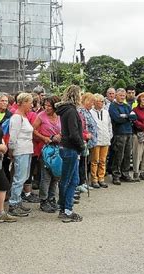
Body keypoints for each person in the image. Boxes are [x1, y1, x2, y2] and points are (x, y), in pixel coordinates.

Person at [55, 85, 84, 222]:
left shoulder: (66, 110)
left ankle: (65, 207)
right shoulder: (71, 111)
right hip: (70, 148)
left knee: (73, 180)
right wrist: (81, 146)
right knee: (67, 181)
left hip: (67, 147)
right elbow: (73, 133)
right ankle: (66, 209)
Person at [32, 96, 62, 213]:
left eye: (49, 105)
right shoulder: (41, 116)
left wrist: (60, 135)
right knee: (46, 176)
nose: (46, 107)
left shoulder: (60, 116)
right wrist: (44, 138)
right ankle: (43, 200)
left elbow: (64, 128)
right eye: (45, 105)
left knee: (56, 175)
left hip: (58, 148)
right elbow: (33, 129)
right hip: (46, 149)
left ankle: (52, 198)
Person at [8, 92, 34, 217]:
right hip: (21, 150)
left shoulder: (24, 116)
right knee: (19, 178)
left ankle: (17, 201)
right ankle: (13, 203)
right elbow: (13, 138)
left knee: (24, 176)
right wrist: (11, 151)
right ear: (23, 103)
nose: (31, 105)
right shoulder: (17, 118)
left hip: (26, 149)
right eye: (30, 102)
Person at [108, 88, 137, 185]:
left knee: (127, 155)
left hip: (129, 132)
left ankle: (125, 174)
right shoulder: (113, 106)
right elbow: (117, 119)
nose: (122, 97)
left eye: (124, 96)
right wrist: (128, 117)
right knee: (118, 155)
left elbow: (134, 117)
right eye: (120, 95)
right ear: (116, 95)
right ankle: (116, 175)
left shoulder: (127, 106)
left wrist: (125, 116)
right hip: (119, 134)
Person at [90, 94, 112, 188]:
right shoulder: (91, 112)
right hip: (96, 140)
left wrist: (110, 135)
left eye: (103, 101)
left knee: (103, 160)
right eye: (100, 101)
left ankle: (101, 178)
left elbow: (109, 125)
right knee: (95, 160)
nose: (103, 103)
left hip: (105, 139)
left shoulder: (106, 112)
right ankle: (94, 179)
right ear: (95, 102)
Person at [77, 92, 98, 191]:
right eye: (92, 102)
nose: (93, 104)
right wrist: (86, 136)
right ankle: (79, 183)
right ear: (86, 101)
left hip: (88, 141)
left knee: (84, 163)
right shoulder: (81, 111)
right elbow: (82, 127)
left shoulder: (87, 111)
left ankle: (83, 181)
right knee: (81, 162)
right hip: (83, 140)